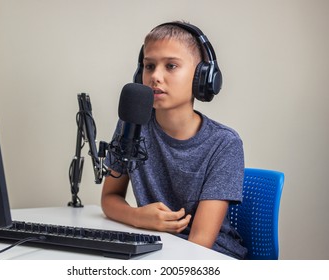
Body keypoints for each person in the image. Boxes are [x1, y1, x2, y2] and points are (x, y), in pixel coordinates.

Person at [101, 21, 247, 259]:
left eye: (171, 66)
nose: (155, 76)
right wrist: (139, 217)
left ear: (202, 77)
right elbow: (109, 198)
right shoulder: (132, 125)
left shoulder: (224, 144)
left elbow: (200, 242)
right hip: (154, 247)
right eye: (149, 66)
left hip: (209, 256)